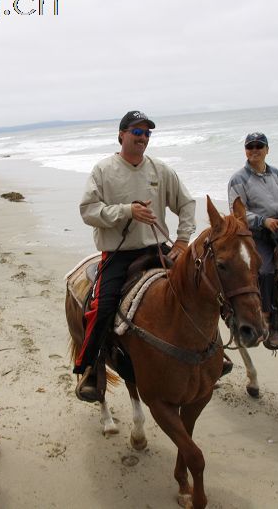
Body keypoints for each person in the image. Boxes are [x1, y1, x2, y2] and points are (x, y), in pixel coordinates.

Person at [75, 111, 196, 402]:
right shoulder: (103, 170)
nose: (142, 138)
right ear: (121, 135)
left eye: (146, 134)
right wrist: (127, 211)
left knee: (197, 289)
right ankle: (89, 367)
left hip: (156, 249)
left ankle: (209, 357)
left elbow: (187, 203)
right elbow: (88, 211)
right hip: (119, 254)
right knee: (102, 307)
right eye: (136, 132)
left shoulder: (161, 170)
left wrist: (181, 241)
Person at [227, 132, 278, 350]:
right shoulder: (238, 179)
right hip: (257, 234)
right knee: (266, 270)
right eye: (250, 146)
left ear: (267, 149)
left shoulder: (275, 173)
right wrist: (263, 221)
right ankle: (269, 320)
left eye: (259, 146)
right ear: (245, 151)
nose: (255, 150)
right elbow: (238, 213)